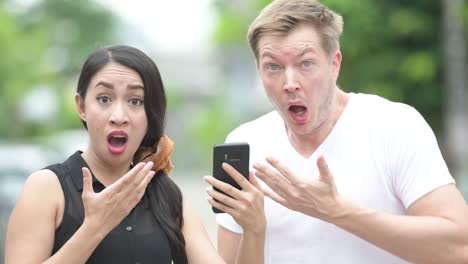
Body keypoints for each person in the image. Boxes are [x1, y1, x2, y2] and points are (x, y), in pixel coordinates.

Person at [204, 0, 468, 263]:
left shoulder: (394, 126)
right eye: (273, 66)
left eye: (306, 64)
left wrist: (336, 211)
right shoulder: (246, 142)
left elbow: (460, 249)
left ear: (334, 64)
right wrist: (254, 229)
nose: (290, 83)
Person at [5, 45, 265, 264]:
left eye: (135, 101)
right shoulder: (46, 188)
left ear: (150, 114)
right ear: (81, 107)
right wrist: (93, 228)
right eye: (104, 99)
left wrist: (254, 229)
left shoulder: (167, 196)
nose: (119, 116)